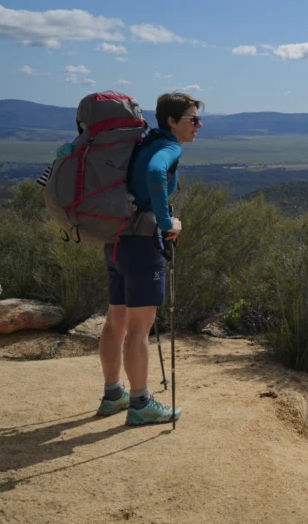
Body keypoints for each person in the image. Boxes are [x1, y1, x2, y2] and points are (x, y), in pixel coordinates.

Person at [95, 92, 204, 426]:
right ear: (172, 121)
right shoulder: (168, 147)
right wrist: (168, 222)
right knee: (140, 330)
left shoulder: (143, 143)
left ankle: (114, 394)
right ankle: (140, 403)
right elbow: (157, 175)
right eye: (192, 119)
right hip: (142, 244)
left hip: (116, 241)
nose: (198, 126)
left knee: (116, 321)